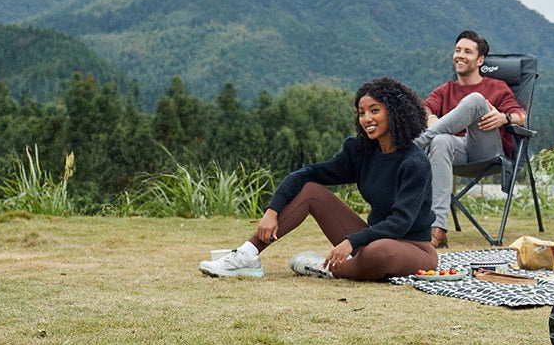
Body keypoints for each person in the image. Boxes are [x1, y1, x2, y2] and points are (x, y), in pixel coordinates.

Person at [199, 77, 437, 280]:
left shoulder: (414, 163)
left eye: (375, 110)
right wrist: (272, 211)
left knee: (380, 252)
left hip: (413, 248)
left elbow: (400, 223)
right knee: (312, 191)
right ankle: (247, 254)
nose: (367, 119)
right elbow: (307, 174)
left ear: (394, 113)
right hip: (371, 239)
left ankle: (324, 268)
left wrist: (351, 242)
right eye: (361, 113)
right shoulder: (360, 151)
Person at [415, 30, 526, 248]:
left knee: (475, 100)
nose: (460, 55)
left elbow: (522, 116)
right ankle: (437, 229)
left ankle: (418, 144)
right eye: (457, 50)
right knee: (440, 141)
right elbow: (425, 106)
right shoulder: (445, 90)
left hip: (487, 150)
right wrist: (430, 117)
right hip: (456, 151)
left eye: (467, 51)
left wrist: (504, 118)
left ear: (480, 60)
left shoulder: (496, 87)